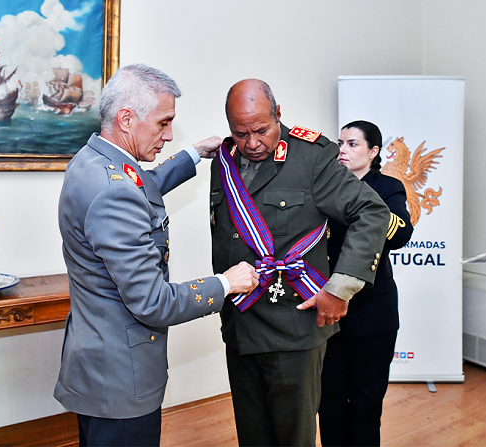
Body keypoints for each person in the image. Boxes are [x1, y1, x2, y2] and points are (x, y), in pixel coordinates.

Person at [54, 64, 259, 447]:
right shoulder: (113, 190)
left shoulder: (94, 161)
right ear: (127, 119)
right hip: (120, 381)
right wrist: (225, 283)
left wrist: (193, 155)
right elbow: (153, 303)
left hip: (98, 364)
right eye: (163, 124)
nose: (167, 135)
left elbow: (138, 186)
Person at [209, 79, 391, 446]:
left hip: (293, 325)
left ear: (279, 114)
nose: (252, 143)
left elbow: (371, 212)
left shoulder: (312, 156)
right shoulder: (224, 161)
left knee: (294, 437)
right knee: (253, 434)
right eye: (240, 133)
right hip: (241, 322)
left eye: (261, 130)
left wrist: (341, 287)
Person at [318, 120, 414, 446]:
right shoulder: (326, 185)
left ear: (373, 152)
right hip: (329, 307)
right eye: (340, 143)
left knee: (366, 402)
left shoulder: (387, 187)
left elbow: (400, 233)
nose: (342, 149)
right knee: (328, 400)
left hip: (372, 310)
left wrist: (365, 202)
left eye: (353, 144)